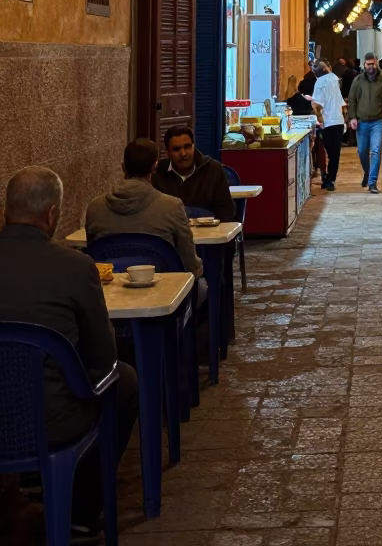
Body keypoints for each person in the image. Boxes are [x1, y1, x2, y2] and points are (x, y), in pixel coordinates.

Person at [0, 167, 139, 536]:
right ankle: (80, 506)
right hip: (49, 423)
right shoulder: (75, 268)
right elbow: (102, 359)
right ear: (51, 215)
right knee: (123, 381)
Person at [86, 139, 203, 277]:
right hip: (164, 293)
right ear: (155, 167)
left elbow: (93, 258)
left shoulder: (95, 208)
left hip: (109, 293)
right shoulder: (172, 206)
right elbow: (189, 264)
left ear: (123, 167)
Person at [152, 125, 235, 222]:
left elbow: (226, 212)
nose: (183, 154)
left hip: (209, 233)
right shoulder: (157, 172)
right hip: (170, 233)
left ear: (193, 146)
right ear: (167, 152)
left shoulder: (213, 169)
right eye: (176, 149)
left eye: (187, 147)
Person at [347, 52, 382, 193]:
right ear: (364, 65)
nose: (371, 67)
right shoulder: (358, 81)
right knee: (362, 151)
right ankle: (368, 173)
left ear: (376, 63)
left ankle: (372, 182)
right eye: (368, 64)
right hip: (361, 122)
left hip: (377, 122)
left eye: (373, 64)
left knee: (375, 151)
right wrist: (352, 118)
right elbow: (352, 101)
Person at [310, 58, 346, 190]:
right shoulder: (335, 79)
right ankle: (330, 179)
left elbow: (316, 104)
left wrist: (320, 121)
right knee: (334, 154)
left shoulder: (319, 82)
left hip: (328, 122)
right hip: (338, 120)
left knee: (325, 153)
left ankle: (327, 178)